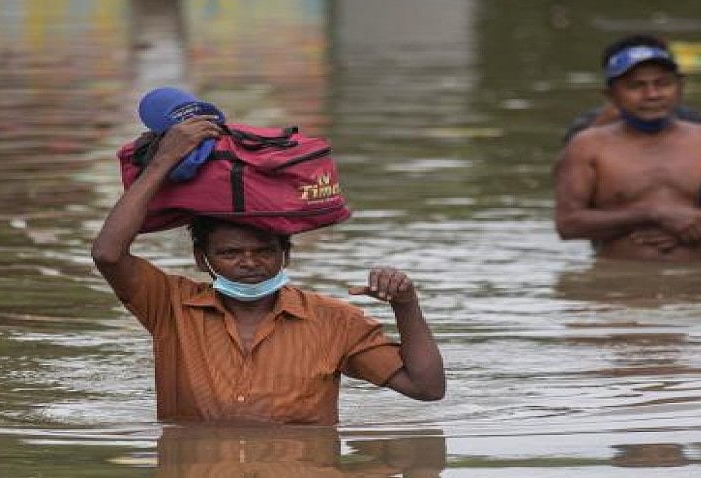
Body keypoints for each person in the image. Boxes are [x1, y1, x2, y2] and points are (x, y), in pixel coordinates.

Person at [91, 116, 446, 424]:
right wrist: (163, 162)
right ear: (203, 259)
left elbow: (426, 388)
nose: (249, 262)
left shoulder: (336, 322)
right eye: (230, 253)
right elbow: (108, 254)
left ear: (285, 255)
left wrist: (405, 304)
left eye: (264, 251)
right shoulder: (170, 306)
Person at [554, 34, 701, 262]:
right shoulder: (587, 145)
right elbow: (567, 224)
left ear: (680, 87)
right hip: (620, 287)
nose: (652, 94)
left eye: (663, 83)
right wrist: (652, 214)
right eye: (636, 86)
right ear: (611, 95)